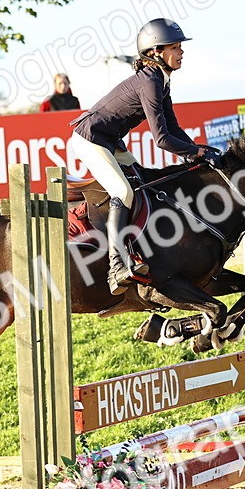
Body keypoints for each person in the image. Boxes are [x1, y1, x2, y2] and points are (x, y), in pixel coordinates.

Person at [70, 18, 220, 294]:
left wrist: (197, 152)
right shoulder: (150, 81)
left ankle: (141, 250)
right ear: (155, 53)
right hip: (90, 140)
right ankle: (116, 266)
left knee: (144, 186)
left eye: (179, 47)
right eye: (174, 47)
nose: (181, 52)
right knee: (123, 193)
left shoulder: (160, 80)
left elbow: (173, 128)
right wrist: (195, 152)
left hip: (110, 141)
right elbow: (162, 139)